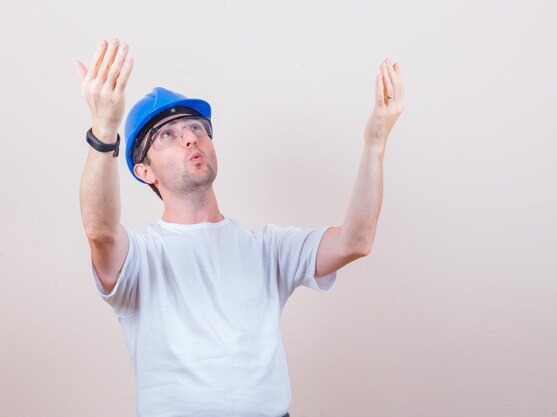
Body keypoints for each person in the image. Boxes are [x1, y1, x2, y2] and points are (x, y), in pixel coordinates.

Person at [74, 38, 404, 417]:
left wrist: (376, 140)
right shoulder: (141, 258)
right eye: (166, 134)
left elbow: (356, 240)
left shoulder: (268, 249)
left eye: (196, 126)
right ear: (144, 171)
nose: (189, 136)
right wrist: (103, 130)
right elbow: (99, 230)